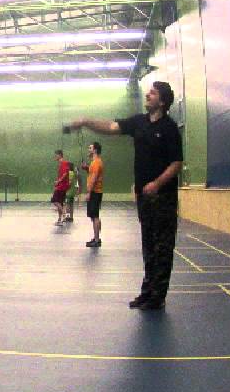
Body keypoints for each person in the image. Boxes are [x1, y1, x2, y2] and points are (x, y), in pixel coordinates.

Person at [68, 81, 183, 310]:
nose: (148, 95)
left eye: (153, 93)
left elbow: (176, 163)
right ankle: (147, 292)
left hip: (163, 197)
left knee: (162, 247)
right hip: (143, 197)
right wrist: (86, 122)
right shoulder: (139, 122)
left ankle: (158, 297)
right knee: (148, 245)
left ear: (162, 101)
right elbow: (111, 127)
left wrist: (157, 183)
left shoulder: (169, 128)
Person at [84, 142, 105, 247]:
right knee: (94, 216)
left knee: (95, 216)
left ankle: (97, 240)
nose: (88, 149)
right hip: (95, 191)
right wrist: (86, 168)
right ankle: (96, 238)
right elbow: (92, 174)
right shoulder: (94, 162)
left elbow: (94, 178)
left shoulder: (96, 162)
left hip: (94, 192)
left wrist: (89, 192)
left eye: (90, 148)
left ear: (95, 150)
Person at [52, 150, 72, 225]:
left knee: (55, 201)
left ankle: (64, 215)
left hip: (61, 187)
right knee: (60, 203)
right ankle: (60, 220)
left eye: (56, 155)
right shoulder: (61, 163)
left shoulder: (64, 163)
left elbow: (65, 173)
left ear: (60, 155)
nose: (55, 156)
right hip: (61, 186)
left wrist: (58, 181)